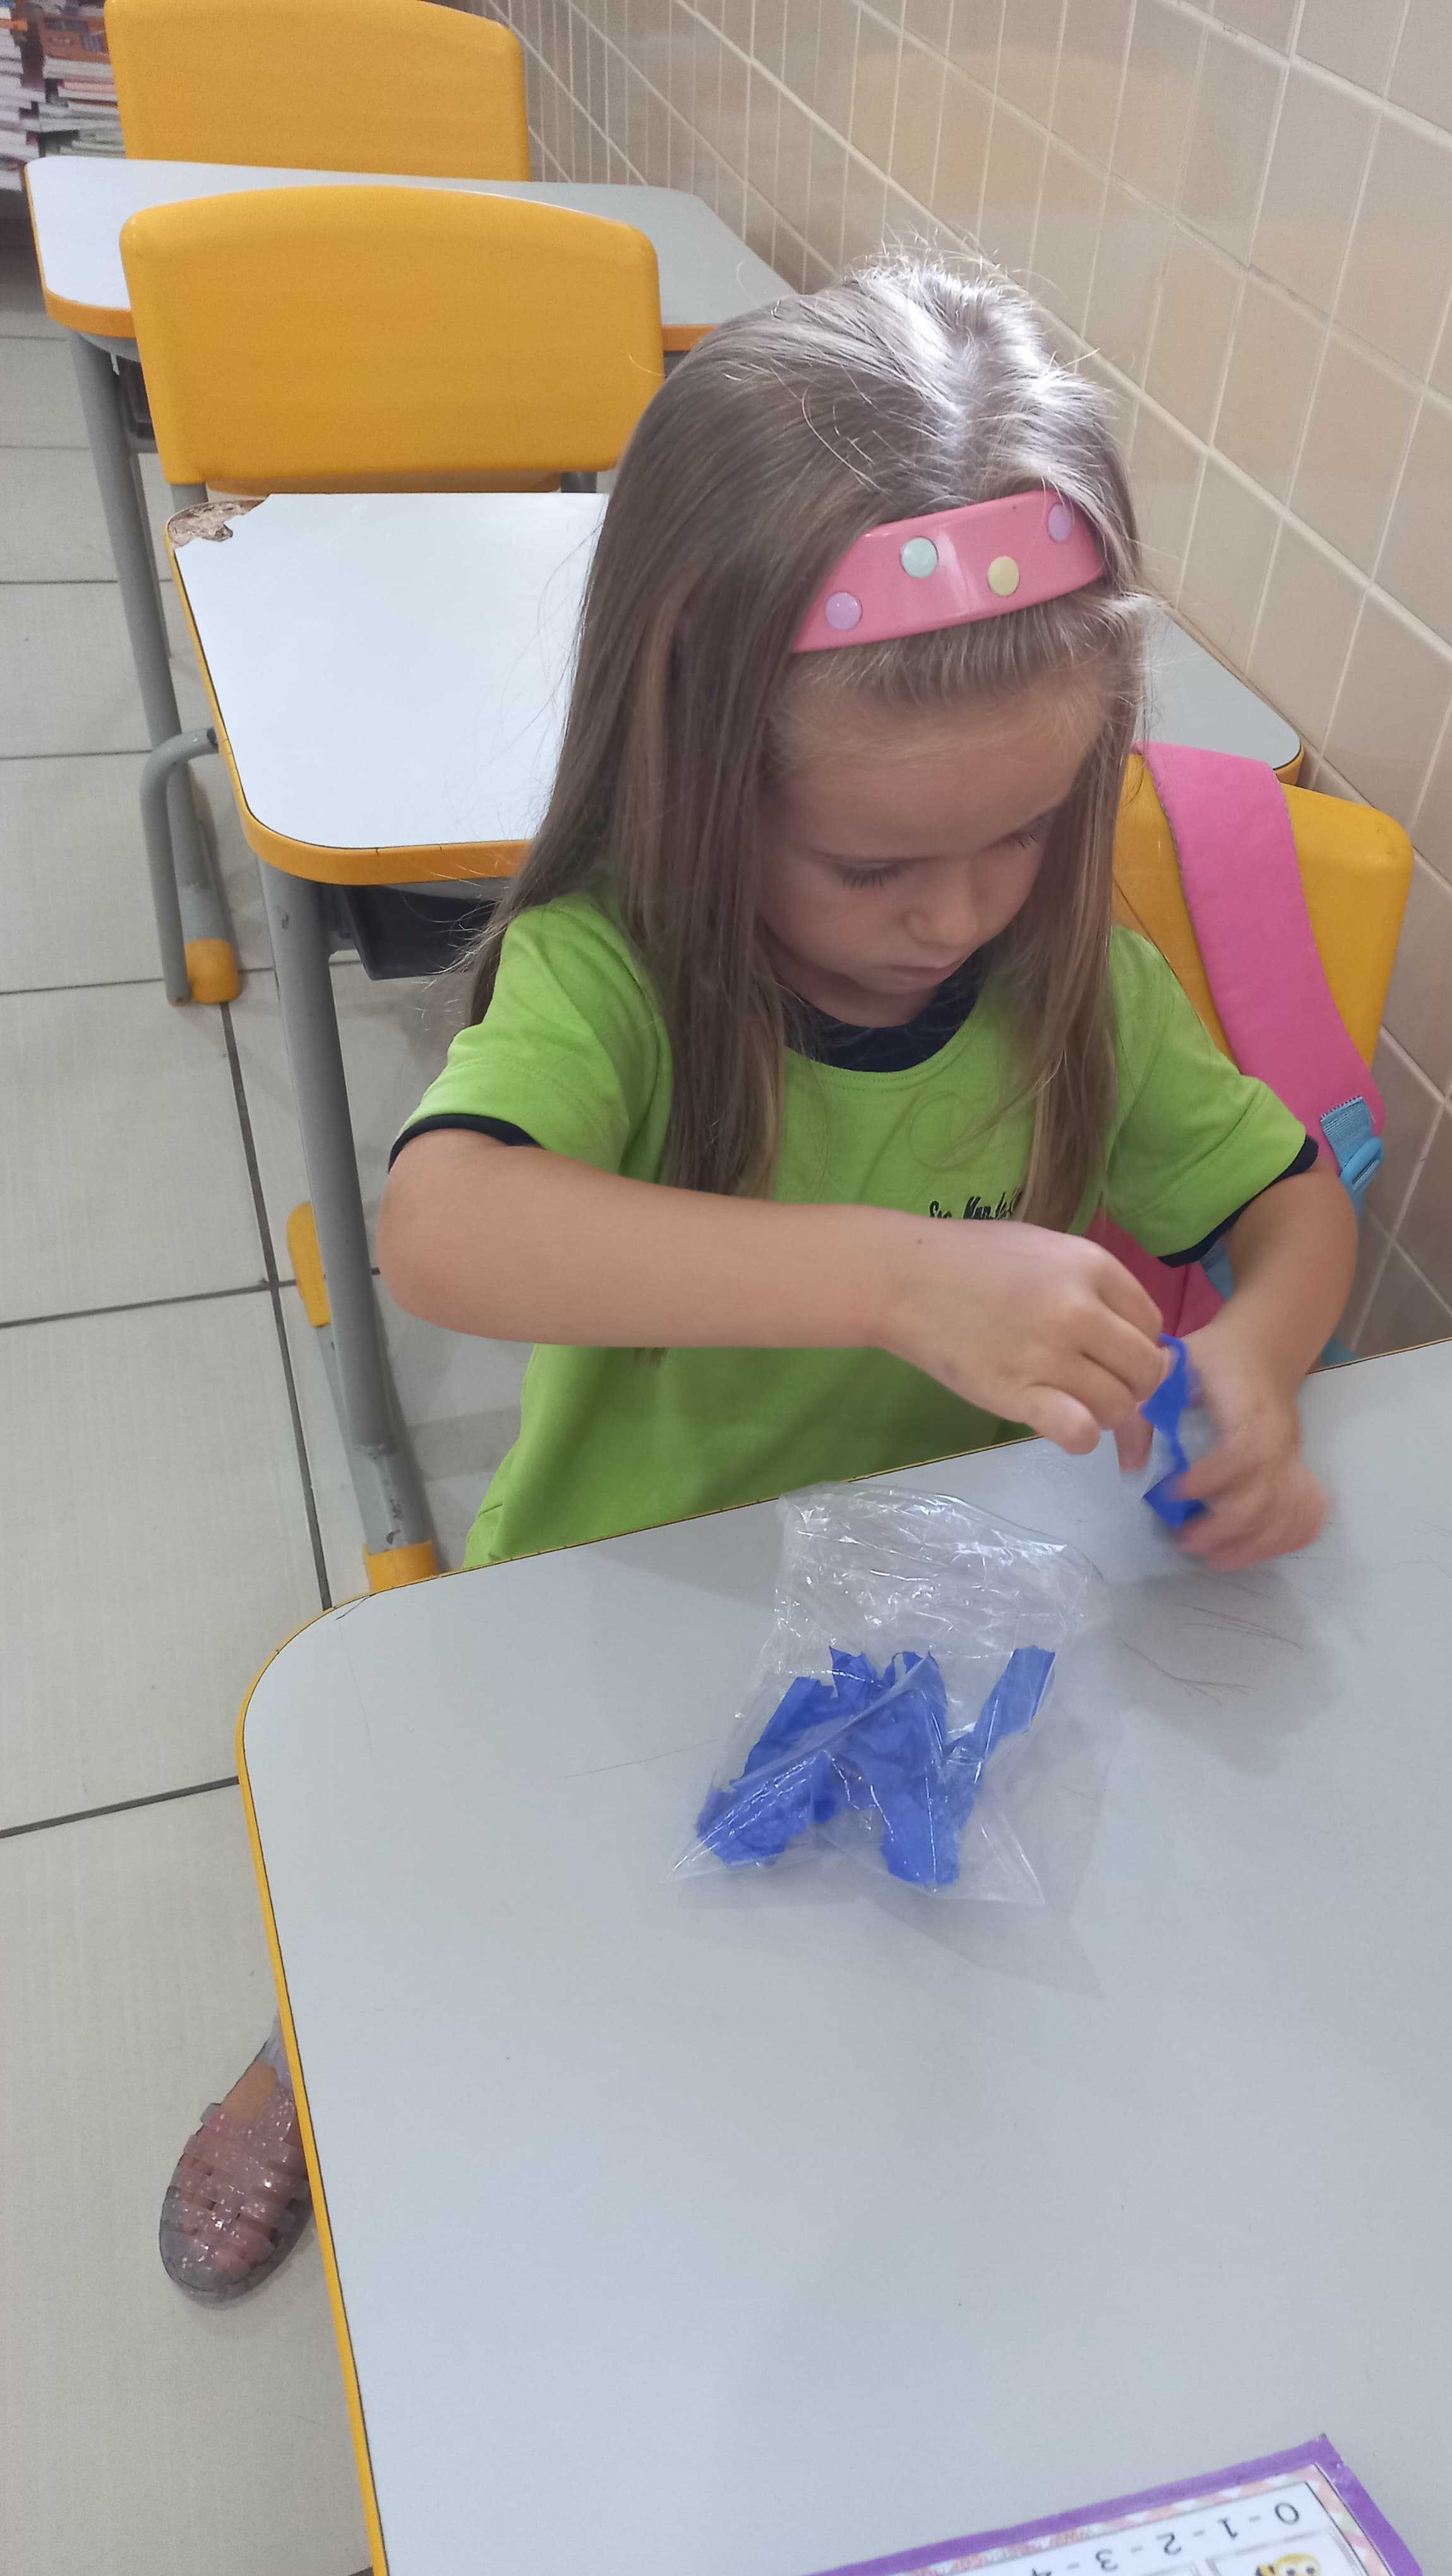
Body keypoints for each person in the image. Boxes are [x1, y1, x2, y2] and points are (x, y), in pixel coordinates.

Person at [159, 258, 1359, 2297]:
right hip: (616, 1585)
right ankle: (310, 2036)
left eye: (1023, 835)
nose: (958, 917)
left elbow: (1294, 1202)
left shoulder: (1072, 976)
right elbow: (441, 1227)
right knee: (486, 1879)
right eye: (874, 866)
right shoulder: (618, 973)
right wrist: (896, 1279)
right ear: (695, 781)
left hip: (929, 1600)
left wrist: (1261, 1352)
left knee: (825, 2043)